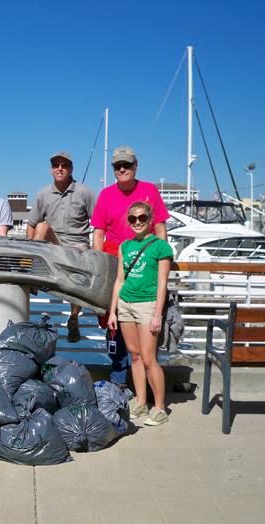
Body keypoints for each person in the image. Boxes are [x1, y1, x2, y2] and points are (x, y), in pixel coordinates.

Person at [91, 146, 170, 389]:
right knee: (112, 320)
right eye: (117, 166)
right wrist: (98, 264)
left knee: (143, 320)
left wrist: (160, 260)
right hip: (115, 259)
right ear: (113, 169)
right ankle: (118, 378)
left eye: (126, 165)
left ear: (136, 166)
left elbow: (160, 229)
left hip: (145, 261)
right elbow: (98, 232)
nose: (122, 169)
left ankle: (145, 385)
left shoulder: (149, 190)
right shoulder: (105, 194)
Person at [107, 202, 173, 426]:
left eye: (142, 218)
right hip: (125, 304)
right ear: (128, 221)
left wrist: (158, 314)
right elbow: (119, 280)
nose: (137, 222)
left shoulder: (160, 246)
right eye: (133, 218)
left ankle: (160, 408)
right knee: (134, 356)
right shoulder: (124, 246)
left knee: (148, 358)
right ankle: (141, 402)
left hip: (147, 305)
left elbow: (162, 283)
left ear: (150, 220)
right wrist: (113, 312)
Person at [27, 151, 96, 343]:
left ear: (71, 169)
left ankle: (73, 318)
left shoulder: (85, 192)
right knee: (41, 226)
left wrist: (97, 253)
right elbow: (31, 224)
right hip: (55, 245)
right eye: (56, 165)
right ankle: (32, 276)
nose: (60, 168)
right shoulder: (42, 194)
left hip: (78, 246)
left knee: (79, 280)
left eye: (64, 165)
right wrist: (26, 253)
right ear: (51, 169)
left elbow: (99, 223)